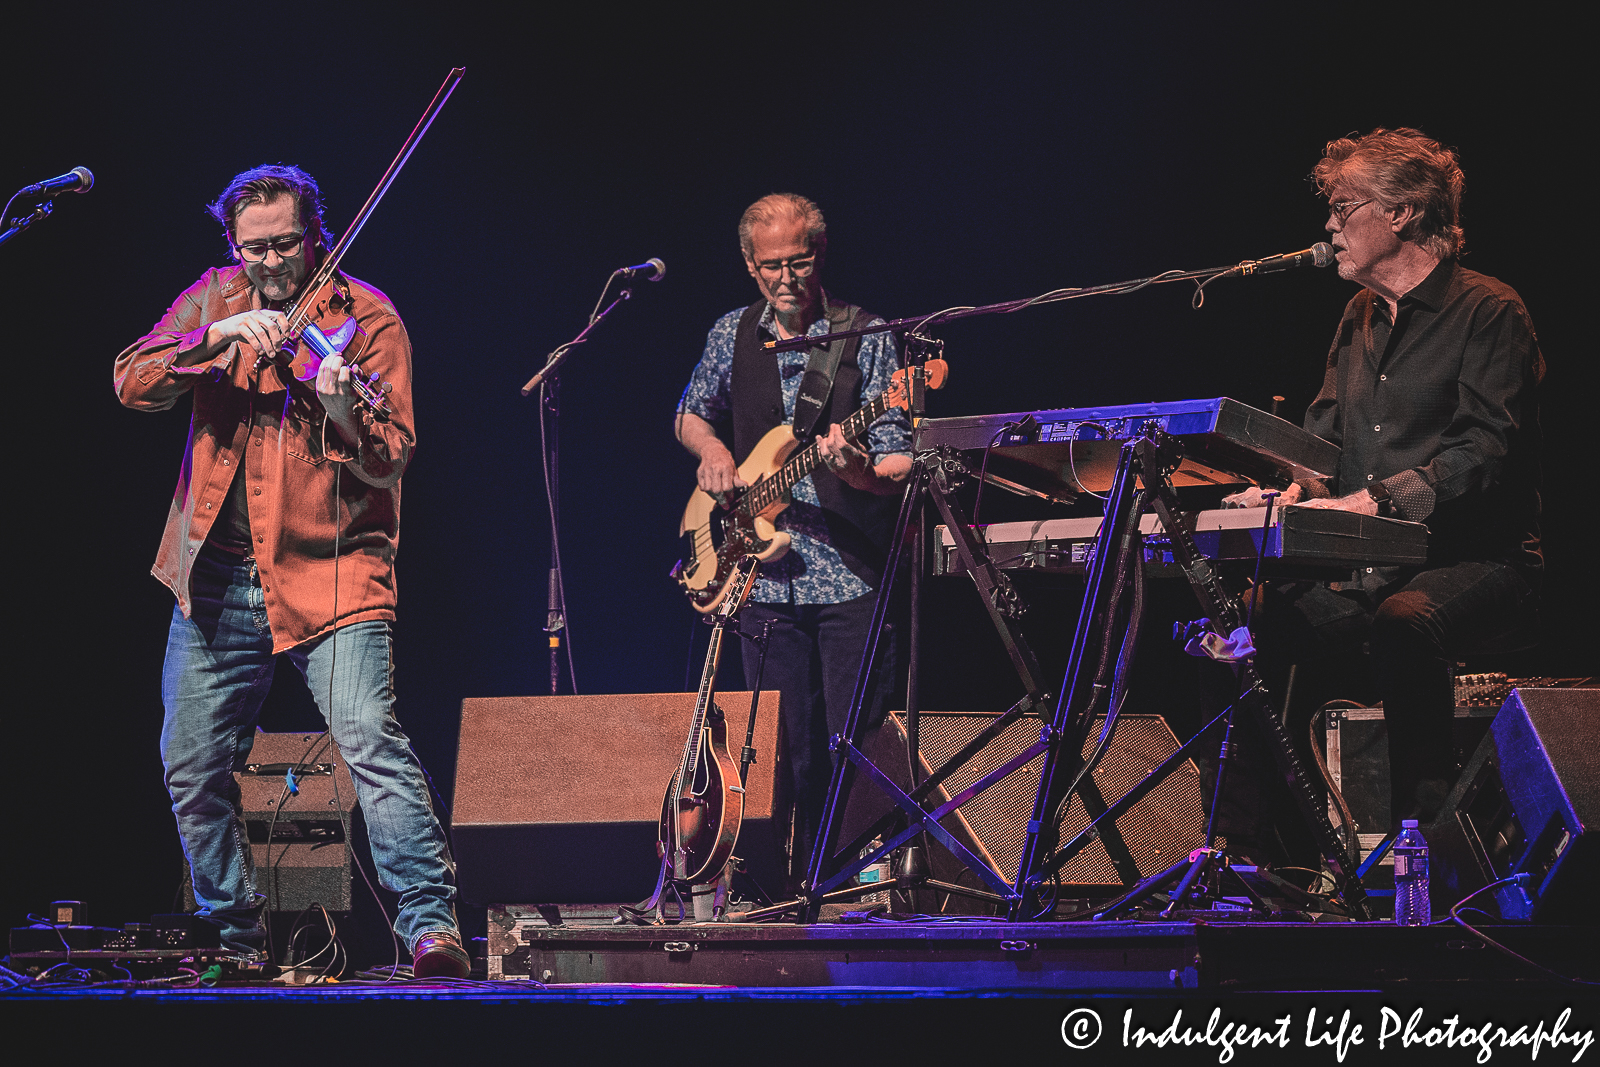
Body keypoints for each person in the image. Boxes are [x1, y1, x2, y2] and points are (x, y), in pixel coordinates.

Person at [114, 164, 468, 977]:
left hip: (332, 569)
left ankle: (429, 926)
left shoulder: (367, 318)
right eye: (253, 250)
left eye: (284, 245)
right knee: (192, 761)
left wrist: (340, 402)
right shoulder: (213, 297)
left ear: (318, 235)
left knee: (371, 743)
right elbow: (132, 379)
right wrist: (217, 338)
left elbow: (390, 458)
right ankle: (234, 937)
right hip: (213, 574)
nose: (270, 266)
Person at [1223, 128, 1543, 843]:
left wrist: (1380, 498)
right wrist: (1294, 492)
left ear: (1401, 213)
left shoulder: (1490, 311)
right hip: (1370, 564)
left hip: (1478, 561)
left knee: (1407, 620)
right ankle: (1266, 854)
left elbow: (1485, 451)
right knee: (1256, 620)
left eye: (1344, 206)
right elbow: (1326, 445)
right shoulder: (1359, 316)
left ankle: (1424, 847)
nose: (1329, 224)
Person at [675, 193, 911, 883]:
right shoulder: (733, 332)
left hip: (850, 574)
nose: (787, 278)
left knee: (857, 740)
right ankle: (781, 884)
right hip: (758, 573)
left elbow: (899, 460)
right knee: (781, 747)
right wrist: (712, 452)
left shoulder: (866, 335)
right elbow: (690, 413)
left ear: (820, 257)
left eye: (799, 262)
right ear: (750, 264)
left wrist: (860, 468)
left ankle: (860, 881)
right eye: (772, 264)